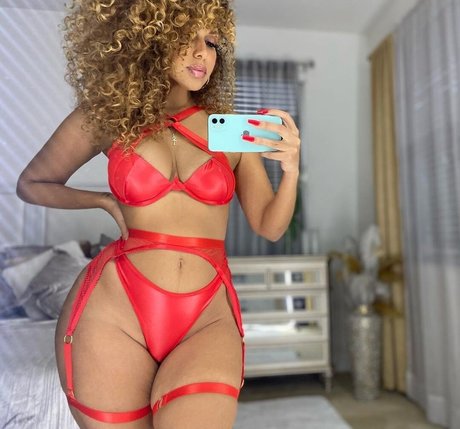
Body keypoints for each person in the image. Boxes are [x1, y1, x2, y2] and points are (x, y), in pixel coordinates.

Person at [16, 0, 301, 427]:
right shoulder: (109, 117)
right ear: (149, 38)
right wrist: (104, 201)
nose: (202, 52)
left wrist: (291, 169)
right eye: (186, 37)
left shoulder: (228, 128)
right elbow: (32, 183)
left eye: (211, 41)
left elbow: (269, 226)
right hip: (115, 311)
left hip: (207, 314)